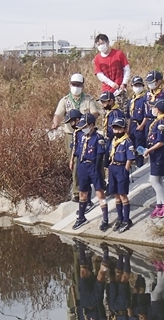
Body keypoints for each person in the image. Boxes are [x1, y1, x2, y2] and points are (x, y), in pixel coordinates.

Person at [52, 73, 101, 201]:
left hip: (85, 133)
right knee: (74, 162)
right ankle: (76, 190)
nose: (76, 87)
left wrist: (86, 120)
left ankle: (96, 185)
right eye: (74, 84)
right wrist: (56, 122)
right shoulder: (65, 101)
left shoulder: (88, 99)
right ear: (70, 84)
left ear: (82, 86)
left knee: (90, 159)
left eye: (78, 85)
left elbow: (95, 113)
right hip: (71, 134)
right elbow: (58, 114)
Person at [71, 113, 109, 231]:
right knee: (83, 192)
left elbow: (99, 156)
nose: (83, 129)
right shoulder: (81, 136)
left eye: (86, 126)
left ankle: (105, 219)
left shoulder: (98, 138)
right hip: (83, 166)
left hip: (93, 166)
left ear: (92, 125)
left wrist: (97, 171)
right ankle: (81, 217)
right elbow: (76, 151)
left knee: (100, 193)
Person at [143, 100, 164, 218]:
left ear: (159, 109)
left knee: (153, 181)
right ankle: (159, 205)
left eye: (154, 107)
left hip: (159, 154)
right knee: (158, 180)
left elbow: (161, 142)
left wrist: (149, 150)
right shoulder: (158, 121)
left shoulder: (161, 122)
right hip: (155, 154)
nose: (152, 109)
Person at [107, 117, 135, 233]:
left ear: (124, 129)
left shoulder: (127, 141)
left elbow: (130, 158)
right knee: (116, 195)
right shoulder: (114, 140)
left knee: (122, 195)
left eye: (119, 129)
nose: (117, 131)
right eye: (115, 128)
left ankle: (126, 219)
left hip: (121, 168)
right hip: (113, 167)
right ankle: (119, 217)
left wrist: (125, 170)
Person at [93, 34, 130, 109]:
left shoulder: (118, 54)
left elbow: (127, 69)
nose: (101, 46)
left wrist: (124, 83)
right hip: (106, 91)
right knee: (107, 115)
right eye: (98, 44)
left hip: (120, 90)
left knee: (123, 113)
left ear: (107, 42)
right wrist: (111, 84)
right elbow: (99, 75)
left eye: (102, 43)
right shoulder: (97, 58)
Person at [126, 75, 148, 168]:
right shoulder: (131, 100)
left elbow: (147, 114)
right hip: (132, 126)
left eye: (139, 85)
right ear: (132, 87)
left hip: (140, 124)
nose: (137, 87)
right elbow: (129, 116)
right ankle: (136, 163)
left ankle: (141, 164)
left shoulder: (145, 98)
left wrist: (142, 125)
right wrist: (128, 128)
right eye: (135, 85)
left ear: (143, 86)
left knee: (140, 146)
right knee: (132, 146)